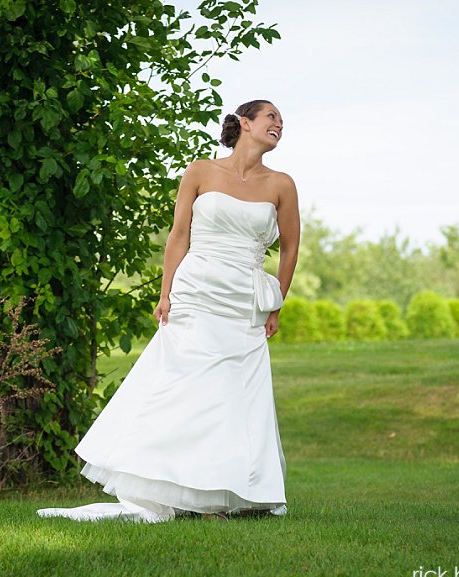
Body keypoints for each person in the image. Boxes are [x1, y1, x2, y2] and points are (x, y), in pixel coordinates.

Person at [38, 100, 300, 523]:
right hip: (196, 291)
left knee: (234, 394)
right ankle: (168, 486)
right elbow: (179, 235)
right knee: (182, 385)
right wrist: (166, 293)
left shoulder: (282, 185)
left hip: (242, 302)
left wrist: (277, 304)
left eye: (282, 122)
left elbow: (290, 249)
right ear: (244, 123)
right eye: (271, 117)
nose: (279, 125)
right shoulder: (200, 171)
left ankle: (229, 493)